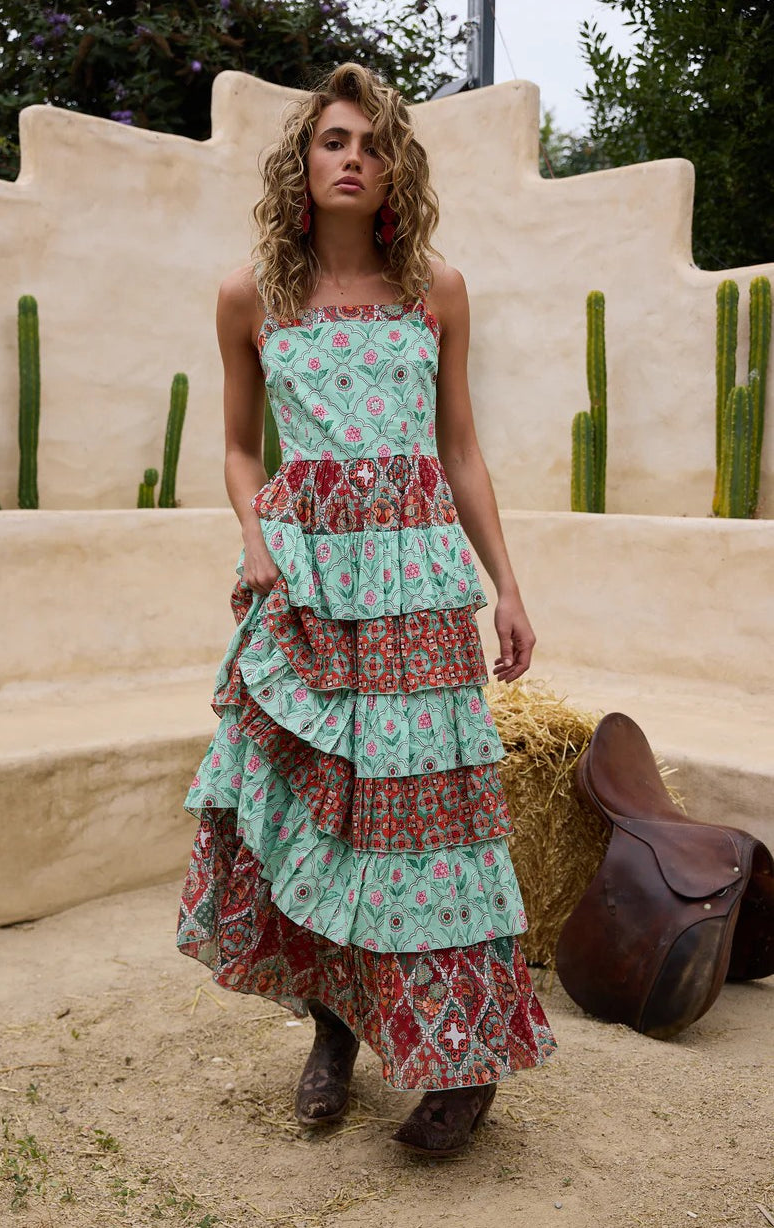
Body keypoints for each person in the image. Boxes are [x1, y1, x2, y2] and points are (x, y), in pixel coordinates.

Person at [176, 60, 557, 1158]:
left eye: (373, 143)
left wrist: (506, 585)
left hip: (417, 584)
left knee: (431, 822)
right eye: (333, 140)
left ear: (397, 170)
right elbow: (241, 447)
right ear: (302, 162)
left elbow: (459, 449)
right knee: (319, 814)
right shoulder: (251, 295)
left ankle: (464, 1061)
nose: (353, 158)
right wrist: (256, 538)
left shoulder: (436, 288)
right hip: (305, 587)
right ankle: (333, 1031)